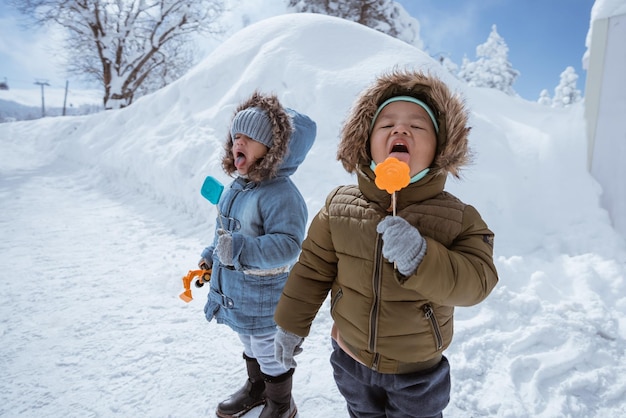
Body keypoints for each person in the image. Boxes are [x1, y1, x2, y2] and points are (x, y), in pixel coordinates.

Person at [273, 69, 499, 417]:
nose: (400, 129)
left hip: (417, 371)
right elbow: (312, 270)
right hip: (349, 355)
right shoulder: (340, 206)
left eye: (418, 126)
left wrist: (422, 258)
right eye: (386, 124)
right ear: (365, 142)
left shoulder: (459, 217)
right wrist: (291, 324)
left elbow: (478, 281)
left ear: (441, 148)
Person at [199, 91, 316, 418]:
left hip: (266, 296)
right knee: (249, 342)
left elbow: (288, 246)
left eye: (250, 137)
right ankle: (257, 388)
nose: (239, 142)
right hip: (241, 292)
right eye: (236, 136)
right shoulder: (238, 186)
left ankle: (281, 404)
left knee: (268, 348)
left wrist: (241, 249)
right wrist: (212, 254)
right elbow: (225, 230)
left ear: (273, 148)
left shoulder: (282, 195)